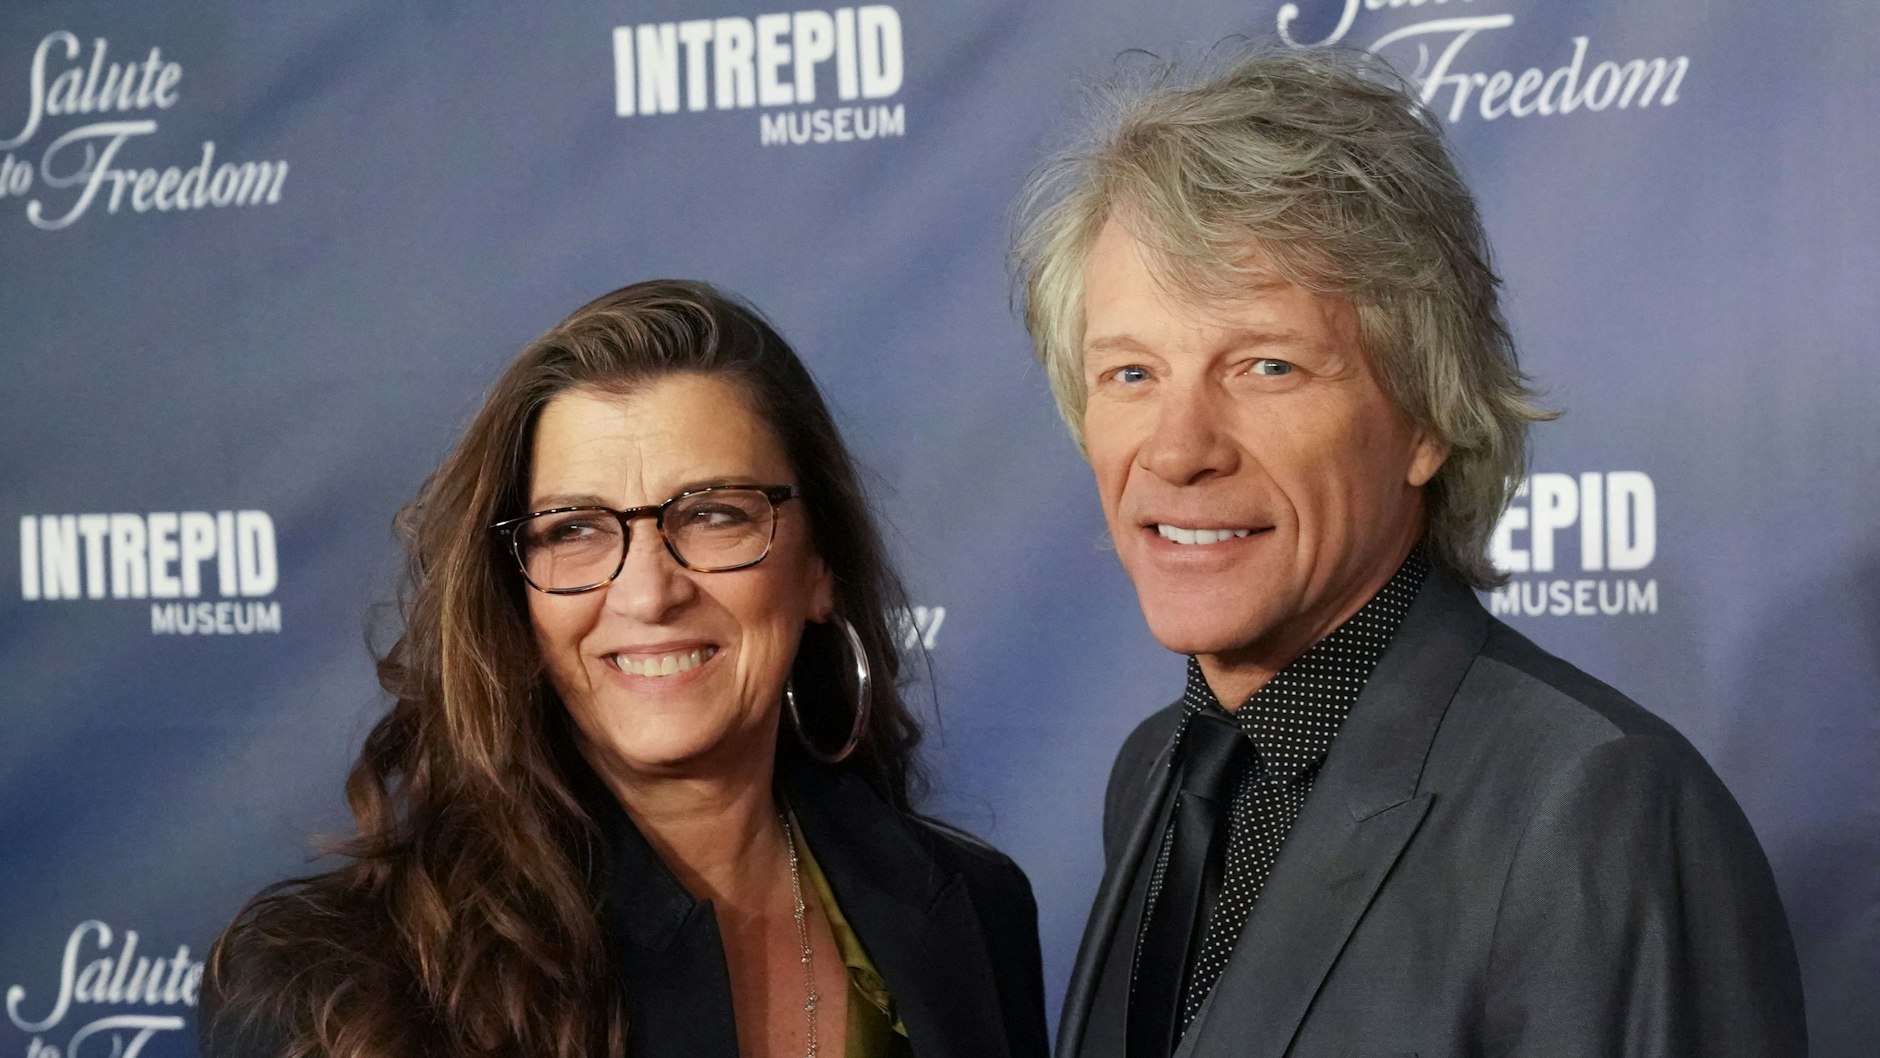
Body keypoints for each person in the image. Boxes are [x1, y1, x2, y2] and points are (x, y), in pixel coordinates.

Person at [1014, 48, 1805, 1058]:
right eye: (1130, 373)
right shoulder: (1153, 771)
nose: (1177, 450)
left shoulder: (1595, 810)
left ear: (1426, 418)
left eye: (1266, 365)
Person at [199, 280, 1049, 1058]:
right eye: (574, 530)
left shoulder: (974, 911)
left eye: (714, 514)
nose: (648, 592)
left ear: (818, 567)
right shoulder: (337, 987)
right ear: (515, 595)